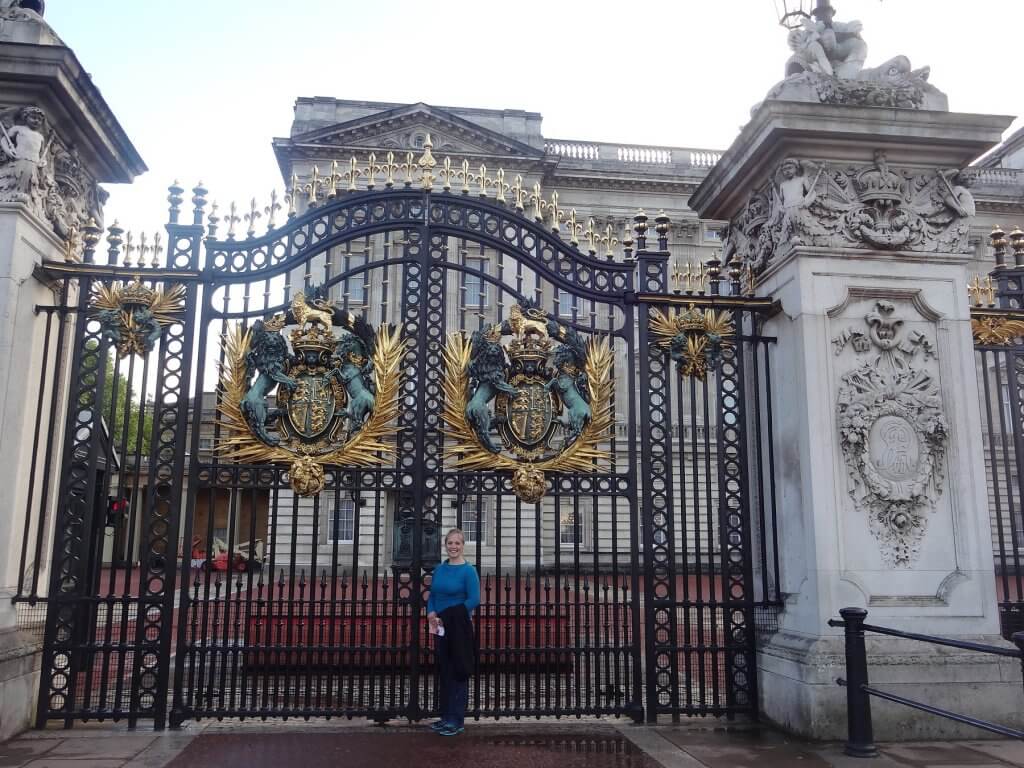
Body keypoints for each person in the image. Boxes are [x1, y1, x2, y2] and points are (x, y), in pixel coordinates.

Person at [426, 528, 480, 737]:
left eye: (457, 543)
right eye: (450, 543)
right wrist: (430, 611)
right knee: (445, 670)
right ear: (445, 545)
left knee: (459, 671)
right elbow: (433, 595)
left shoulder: (469, 571)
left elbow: (474, 600)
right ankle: (446, 716)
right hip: (439, 626)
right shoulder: (440, 569)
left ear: (463, 545)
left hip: (458, 626)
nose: (453, 547)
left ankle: (456, 720)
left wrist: (447, 616)